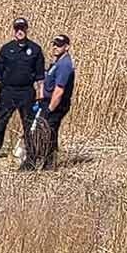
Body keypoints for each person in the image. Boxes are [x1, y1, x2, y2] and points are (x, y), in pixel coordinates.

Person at [0, 17, 45, 159]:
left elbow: (40, 76)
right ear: (14, 30)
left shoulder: (35, 49)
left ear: (26, 29)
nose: (20, 31)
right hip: (8, 92)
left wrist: (41, 95)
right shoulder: (6, 49)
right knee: (1, 122)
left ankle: (31, 154)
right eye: (17, 28)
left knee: (29, 124)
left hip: (27, 92)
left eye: (22, 28)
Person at [41, 34, 75, 165]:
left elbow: (59, 90)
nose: (55, 47)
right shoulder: (57, 62)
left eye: (59, 45)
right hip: (50, 101)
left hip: (57, 104)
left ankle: (49, 163)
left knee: (50, 130)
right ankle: (48, 161)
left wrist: (50, 109)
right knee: (50, 131)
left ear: (66, 47)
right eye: (54, 44)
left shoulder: (65, 65)